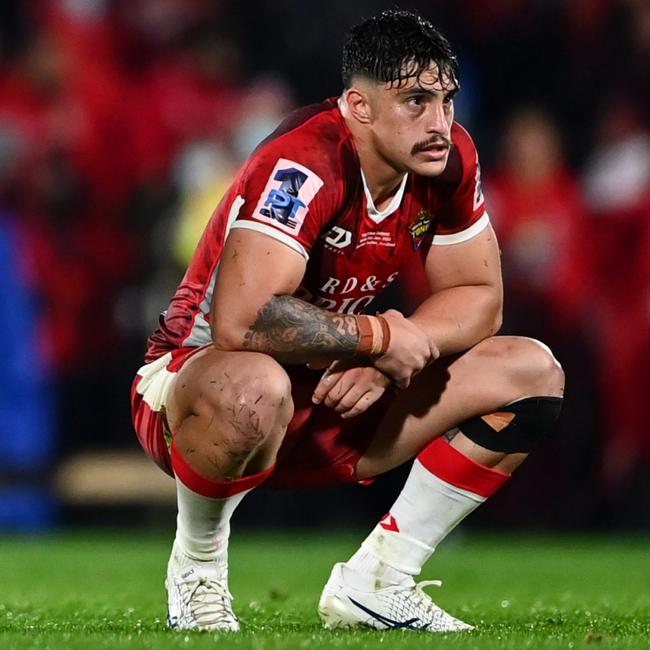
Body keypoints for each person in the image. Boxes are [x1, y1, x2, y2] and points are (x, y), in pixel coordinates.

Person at [131, 9, 564, 633]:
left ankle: (382, 578)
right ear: (359, 108)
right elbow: (241, 321)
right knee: (256, 386)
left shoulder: (447, 159)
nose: (439, 122)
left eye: (446, 99)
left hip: (331, 387)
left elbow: (479, 297)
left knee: (529, 370)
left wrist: (387, 361)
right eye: (415, 101)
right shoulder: (304, 164)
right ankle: (197, 567)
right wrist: (377, 338)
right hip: (194, 393)